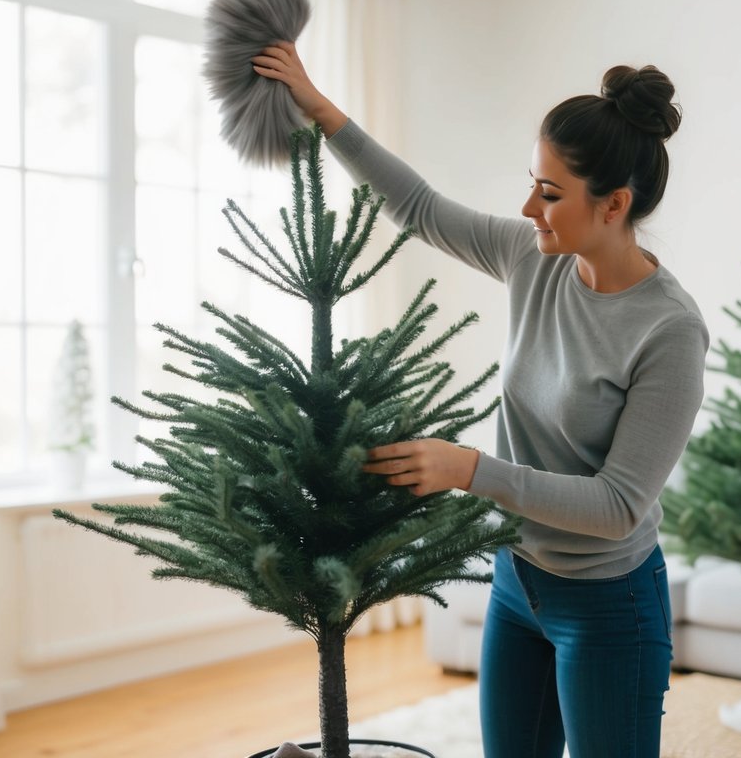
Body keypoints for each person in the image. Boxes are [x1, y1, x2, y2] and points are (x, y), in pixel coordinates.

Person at [252, 42, 710, 758]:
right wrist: (319, 109)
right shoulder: (535, 258)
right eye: (532, 184)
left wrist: (469, 470)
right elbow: (419, 207)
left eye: (550, 194)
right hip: (515, 583)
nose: (528, 209)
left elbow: (618, 506)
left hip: (607, 605)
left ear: (613, 204)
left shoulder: (669, 331)